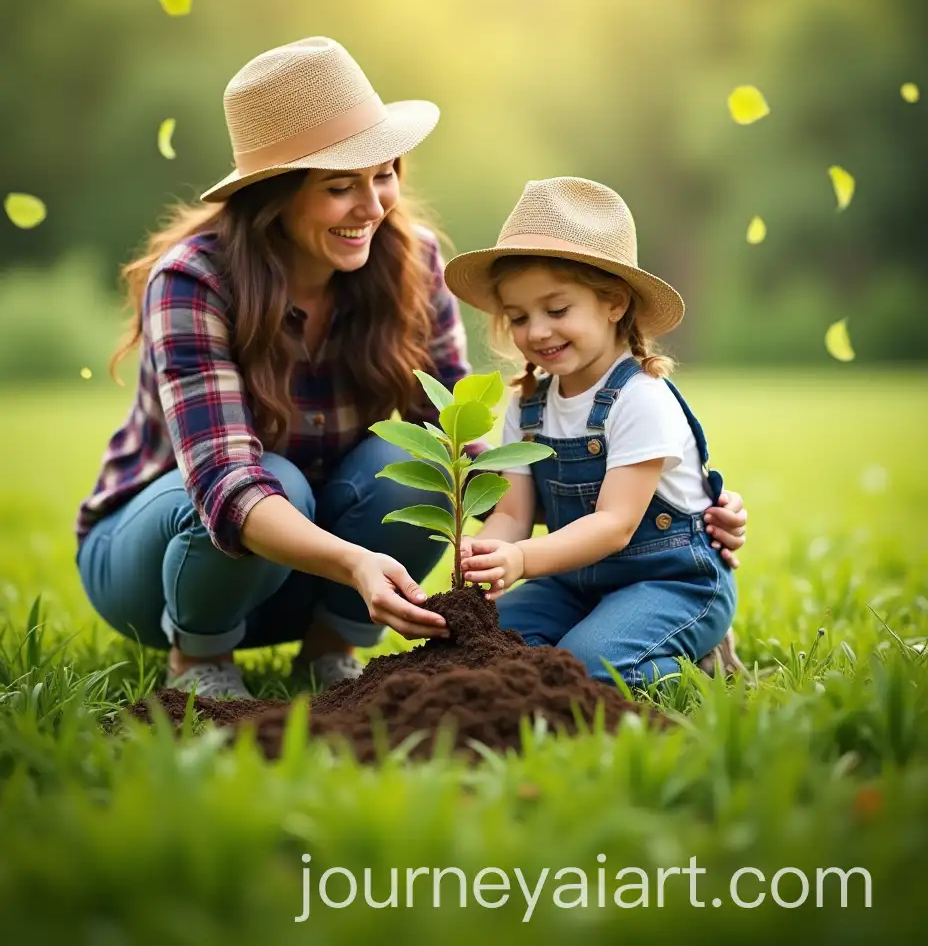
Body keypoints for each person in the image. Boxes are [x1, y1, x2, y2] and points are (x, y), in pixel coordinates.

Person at [75, 40, 747, 702]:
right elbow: (227, 485)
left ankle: (329, 649)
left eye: (384, 174)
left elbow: (464, 439)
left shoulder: (406, 260)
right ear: (274, 197)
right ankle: (199, 658)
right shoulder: (194, 280)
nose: (374, 207)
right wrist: (353, 561)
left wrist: (682, 505)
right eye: (341, 187)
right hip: (171, 570)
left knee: (422, 466)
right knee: (276, 481)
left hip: (312, 572)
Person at [445, 176, 745, 687]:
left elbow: (615, 525)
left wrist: (520, 558)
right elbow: (514, 513)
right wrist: (484, 556)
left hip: (672, 581)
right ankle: (589, 636)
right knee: (481, 644)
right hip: (575, 584)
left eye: (557, 310)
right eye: (518, 317)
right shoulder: (528, 403)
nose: (537, 331)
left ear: (614, 302)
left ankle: (700, 658)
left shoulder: (640, 397)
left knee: (588, 667)